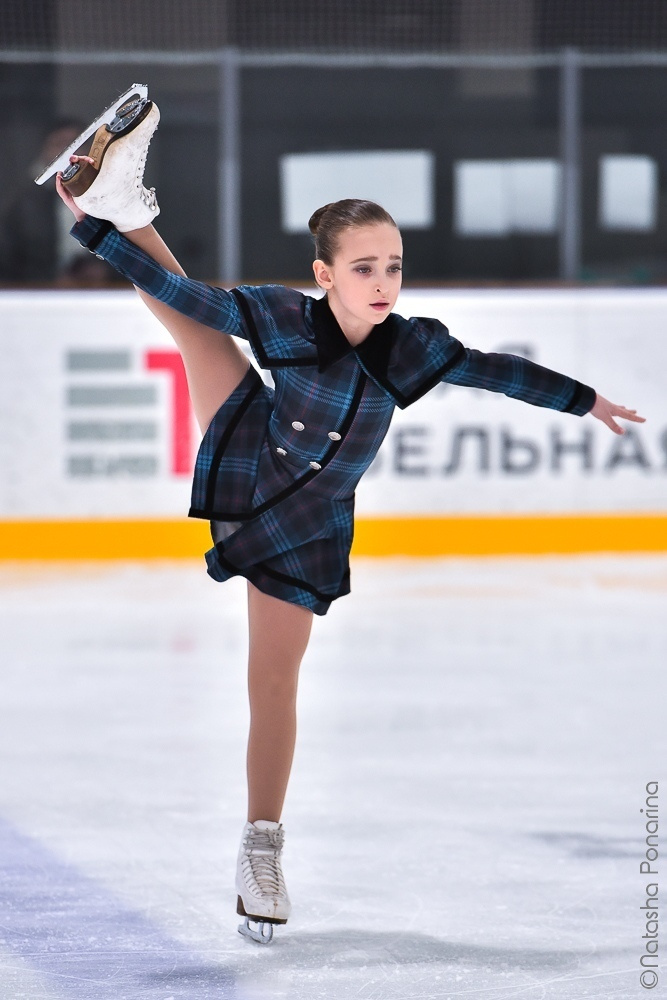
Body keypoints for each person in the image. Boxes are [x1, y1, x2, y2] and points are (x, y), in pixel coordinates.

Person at [52, 98, 644, 945]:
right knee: (196, 332)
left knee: (274, 682)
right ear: (324, 274)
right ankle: (116, 204)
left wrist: (584, 401)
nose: (382, 282)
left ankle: (259, 846)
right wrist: (93, 236)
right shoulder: (283, 317)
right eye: (363, 267)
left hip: (308, 521)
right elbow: (187, 296)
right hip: (252, 447)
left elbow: (494, 371)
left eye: (392, 266)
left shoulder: (410, 348)